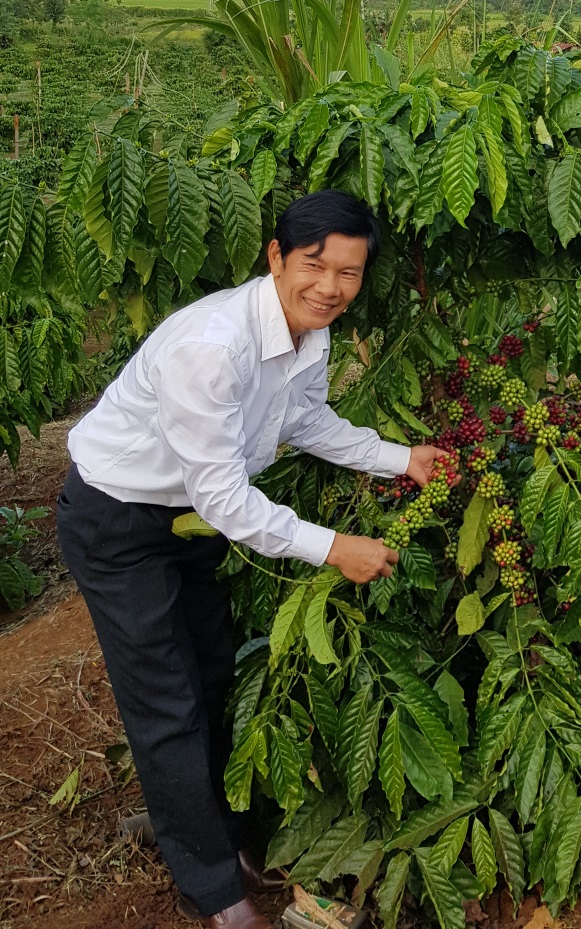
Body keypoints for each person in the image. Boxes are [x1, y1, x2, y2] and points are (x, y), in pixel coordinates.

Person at [57, 190, 450, 929]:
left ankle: (201, 828)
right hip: (117, 519)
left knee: (208, 673)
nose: (330, 287)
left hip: (188, 521)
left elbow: (308, 422)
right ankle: (211, 888)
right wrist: (335, 548)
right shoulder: (212, 348)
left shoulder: (311, 333)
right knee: (164, 699)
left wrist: (402, 459)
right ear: (275, 257)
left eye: (350, 273)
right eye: (314, 265)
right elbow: (229, 501)